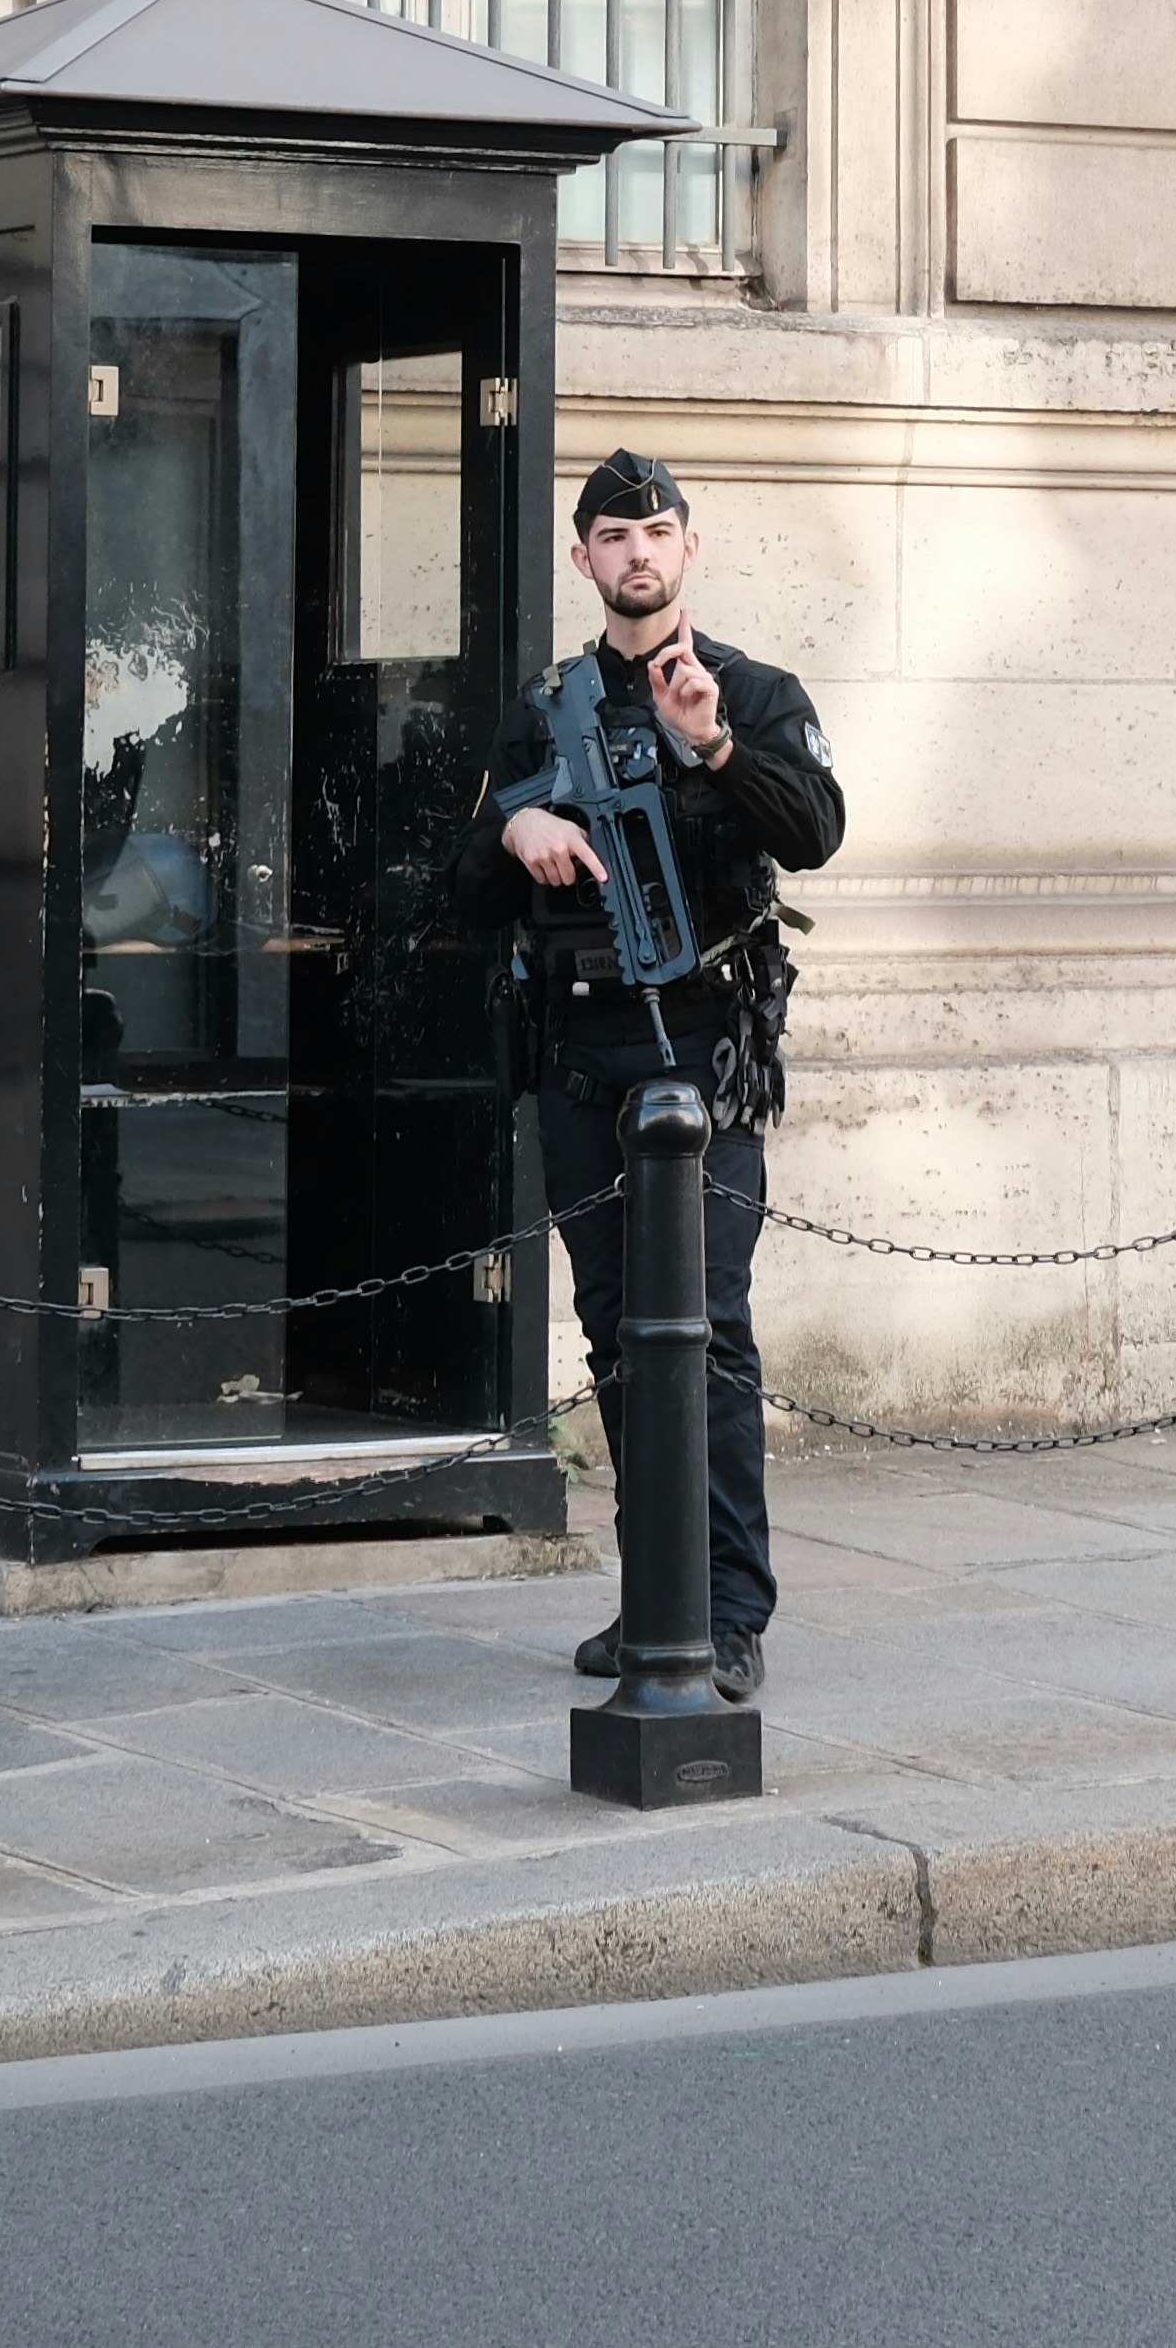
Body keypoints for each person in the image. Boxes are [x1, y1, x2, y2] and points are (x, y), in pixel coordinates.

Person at [453, 449, 843, 1701]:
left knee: (709, 1336)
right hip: (582, 1067)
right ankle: (653, 1598)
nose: (637, 552)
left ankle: (727, 1611)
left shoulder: (753, 692)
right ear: (583, 560)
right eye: (613, 535)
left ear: (688, 549)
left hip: (706, 1069)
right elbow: (460, 892)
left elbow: (818, 831)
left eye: (657, 531)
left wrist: (714, 746)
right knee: (619, 1338)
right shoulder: (542, 707)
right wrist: (514, 828)